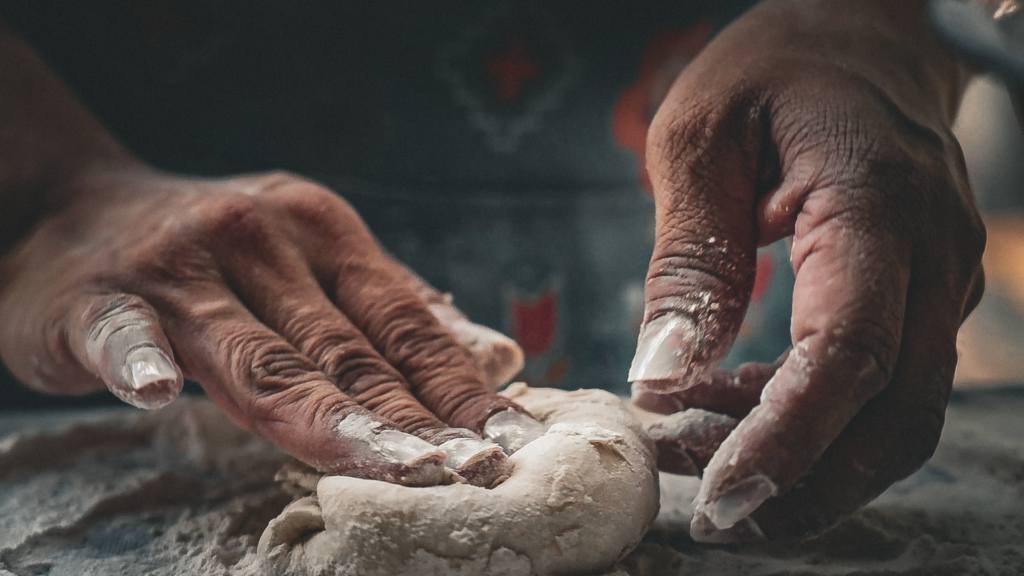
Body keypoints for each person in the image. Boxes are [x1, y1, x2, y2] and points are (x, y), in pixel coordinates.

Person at [0, 0, 985, 543]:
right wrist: (54, 185)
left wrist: (882, 21)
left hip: (725, 234)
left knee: (722, 437)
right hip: (127, 274)